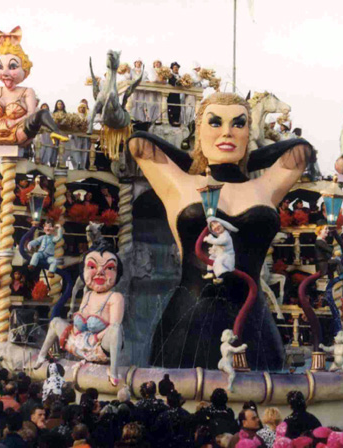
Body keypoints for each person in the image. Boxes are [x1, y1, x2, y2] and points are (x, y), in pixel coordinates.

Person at [127, 92, 314, 370]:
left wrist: (246, 159)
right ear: (199, 130)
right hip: (188, 323)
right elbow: (139, 143)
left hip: (253, 323)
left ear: (249, 132)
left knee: (265, 390)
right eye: (215, 123)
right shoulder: (180, 184)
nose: (227, 132)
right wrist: (197, 156)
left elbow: (302, 150)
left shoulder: (264, 187)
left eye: (238, 124)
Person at [34, 242, 125, 386]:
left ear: (117, 272)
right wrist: (76, 335)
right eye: (92, 267)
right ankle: (41, 356)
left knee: (116, 329)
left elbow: (114, 326)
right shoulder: (87, 295)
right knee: (55, 322)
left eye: (109, 268)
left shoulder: (115, 297)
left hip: (99, 348)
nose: (100, 272)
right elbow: (80, 318)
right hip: (78, 344)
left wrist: (96, 338)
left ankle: (113, 372)